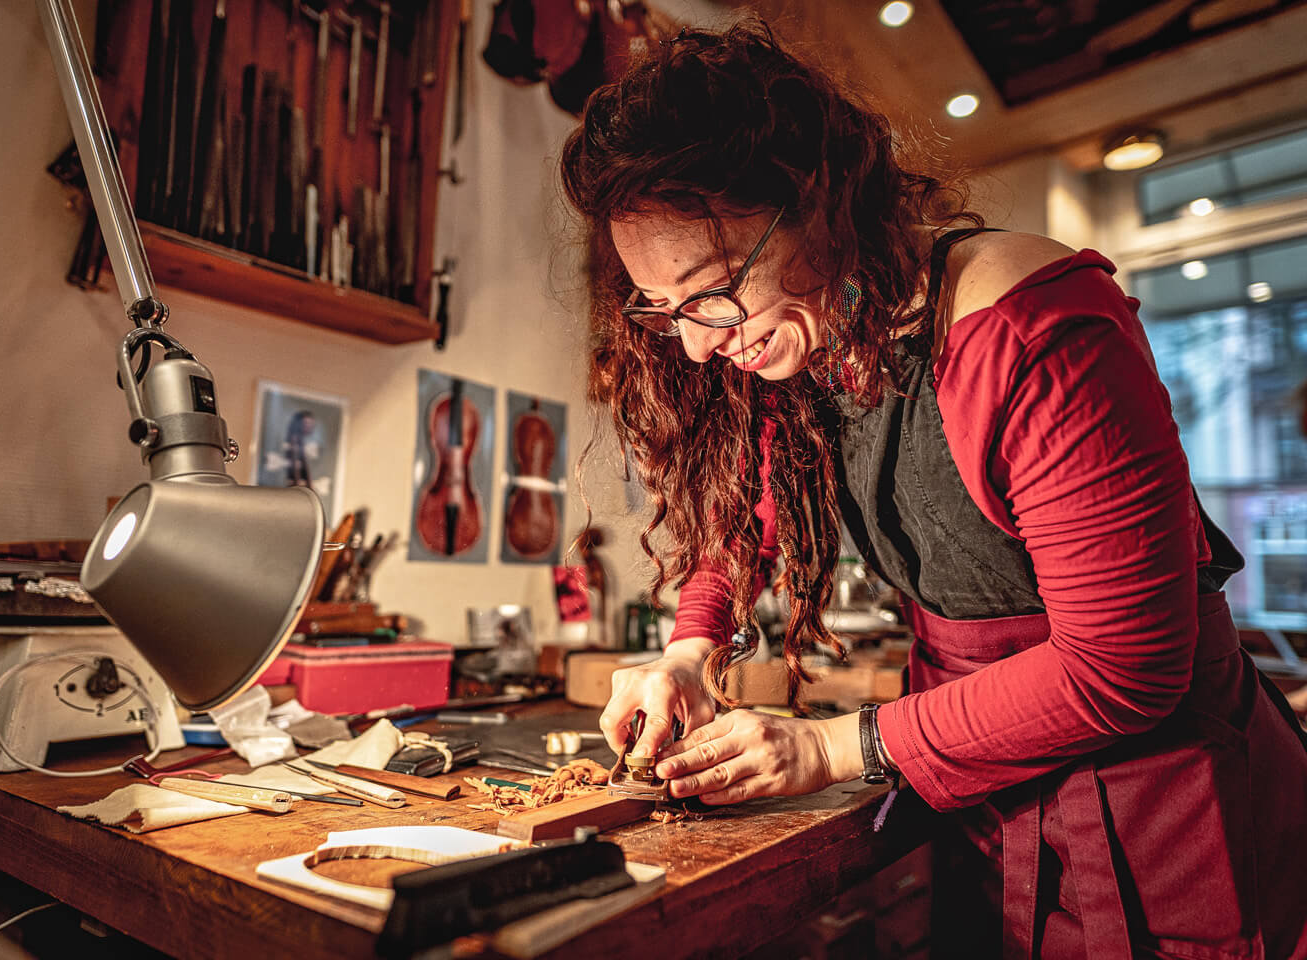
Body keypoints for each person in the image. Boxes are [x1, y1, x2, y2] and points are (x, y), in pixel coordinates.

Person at [559, 21, 1307, 960]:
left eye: (711, 292)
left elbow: (1125, 665)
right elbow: (748, 518)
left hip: (1164, 804)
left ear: (817, 200)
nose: (700, 342)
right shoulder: (806, 335)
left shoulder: (1032, 330)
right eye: (663, 310)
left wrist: (828, 748)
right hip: (979, 787)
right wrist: (690, 646)